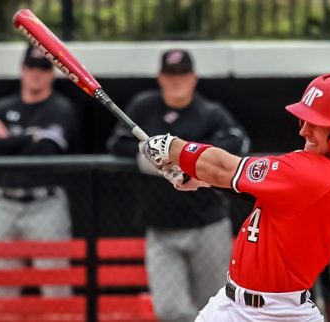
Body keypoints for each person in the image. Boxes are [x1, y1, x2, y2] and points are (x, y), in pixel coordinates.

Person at [140, 73, 330, 322]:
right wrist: (202, 178)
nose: (304, 131)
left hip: (276, 314)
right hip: (230, 305)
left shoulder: (310, 173)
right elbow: (271, 194)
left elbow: (223, 168)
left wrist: (170, 146)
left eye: (317, 123)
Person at [107, 49, 250, 322]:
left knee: (217, 308)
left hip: (207, 226)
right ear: (160, 78)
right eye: (170, 75)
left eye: (182, 74)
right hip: (161, 229)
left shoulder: (210, 112)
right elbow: (117, 144)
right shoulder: (144, 106)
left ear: (194, 78)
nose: (176, 81)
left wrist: (188, 159)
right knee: (170, 310)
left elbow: (238, 142)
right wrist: (157, 162)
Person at [0, 45, 79, 298]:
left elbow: (46, 150)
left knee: (55, 288)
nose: (36, 73)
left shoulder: (60, 108)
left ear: (51, 73)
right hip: (5, 203)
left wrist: (8, 138)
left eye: (43, 68)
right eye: (31, 67)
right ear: (22, 69)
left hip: (45, 203)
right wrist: (29, 137)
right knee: (2, 288)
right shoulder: (2, 106)